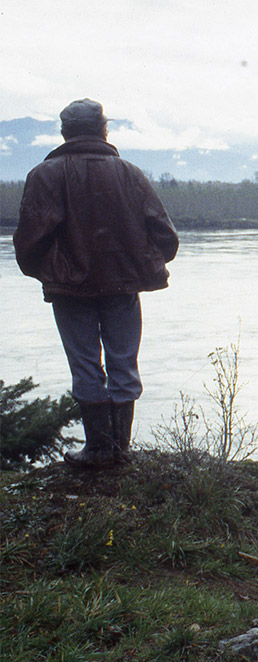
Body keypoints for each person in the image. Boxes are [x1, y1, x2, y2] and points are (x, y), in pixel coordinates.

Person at [14, 99, 178, 468]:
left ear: (64, 132)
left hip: (69, 290)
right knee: (124, 364)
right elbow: (166, 237)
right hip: (123, 288)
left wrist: (54, 272)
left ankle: (98, 450)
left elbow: (28, 244)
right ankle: (119, 451)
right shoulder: (131, 173)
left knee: (85, 366)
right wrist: (138, 266)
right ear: (104, 130)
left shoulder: (44, 175)